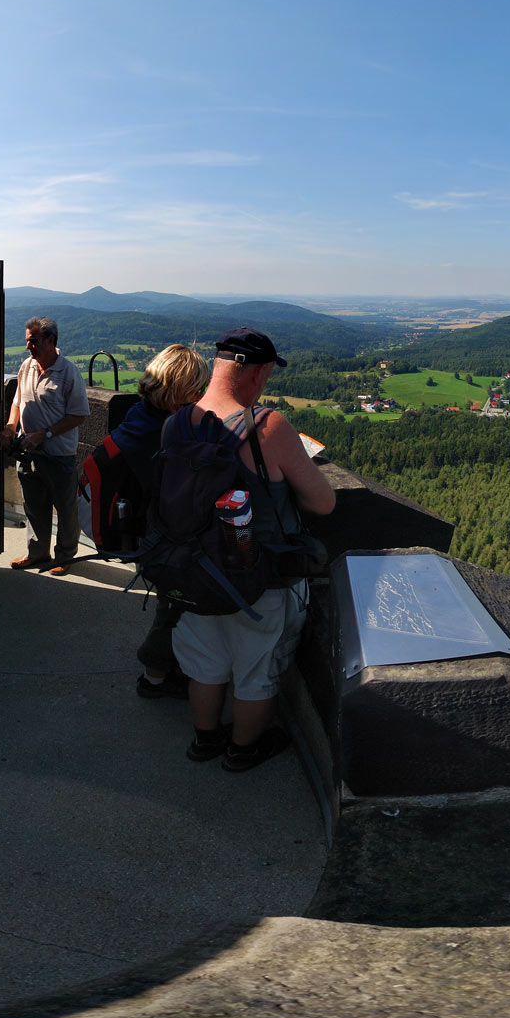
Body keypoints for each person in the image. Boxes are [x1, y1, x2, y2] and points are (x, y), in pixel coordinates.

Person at [167, 327, 337, 772]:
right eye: (265, 374)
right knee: (256, 666)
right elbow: (324, 502)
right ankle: (243, 750)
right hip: (256, 573)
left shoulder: (177, 422)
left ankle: (205, 740)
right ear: (256, 372)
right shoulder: (267, 426)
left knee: (205, 660)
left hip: (192, 568)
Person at [110, 343, 211, 702]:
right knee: (173, 604)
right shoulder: (163, 432)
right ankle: (154, 678)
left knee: (171, 603)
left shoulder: (140, 414)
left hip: (138, 528)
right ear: (176, 388)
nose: (201, 395)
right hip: (157, 536)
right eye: (196, 388)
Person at [5, 316, 91, 570]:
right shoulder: (26, 366)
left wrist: (44, 434)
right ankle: (37, 553)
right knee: (33, 506)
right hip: (29, 453)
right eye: (27, 342)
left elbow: (79, 415)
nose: (29, 347)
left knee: (65, 510)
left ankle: (64, 556)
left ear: (50, 340)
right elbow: (18, 401)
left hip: (58, 455)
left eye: (33, 342)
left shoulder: (68, 372)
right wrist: (11, 427)